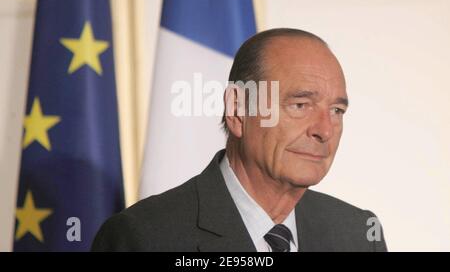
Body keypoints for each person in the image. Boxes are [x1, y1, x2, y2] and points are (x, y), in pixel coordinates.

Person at [92, 28, 387, 252]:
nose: (324, 130)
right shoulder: (144, 238)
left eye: (337, 110)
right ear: (237, 109)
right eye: (300, 105)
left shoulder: (358, 235)